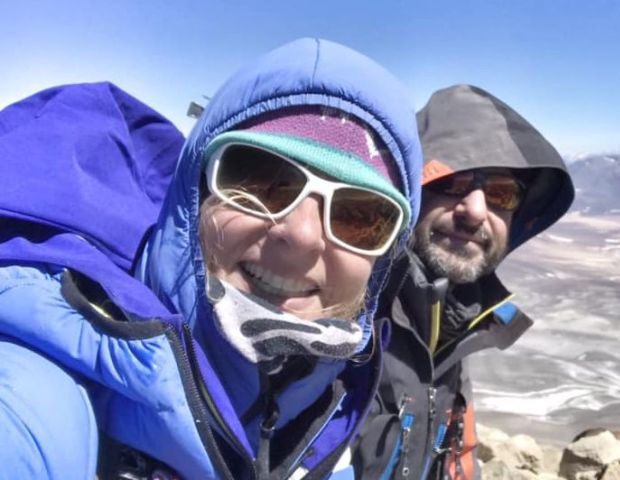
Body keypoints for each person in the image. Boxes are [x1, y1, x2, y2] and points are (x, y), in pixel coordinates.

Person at [0, 37, 422, 480]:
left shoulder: (328, 421)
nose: (301, 235)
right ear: (193, 196)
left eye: (361, 216)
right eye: (263, 181)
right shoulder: (36, 406)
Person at [353, 85, 575, 480]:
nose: (475, 211)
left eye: (502, 194)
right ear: (408, 189)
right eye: (452, 181)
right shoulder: (343, 312)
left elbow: (458, 457)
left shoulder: (457, 315)